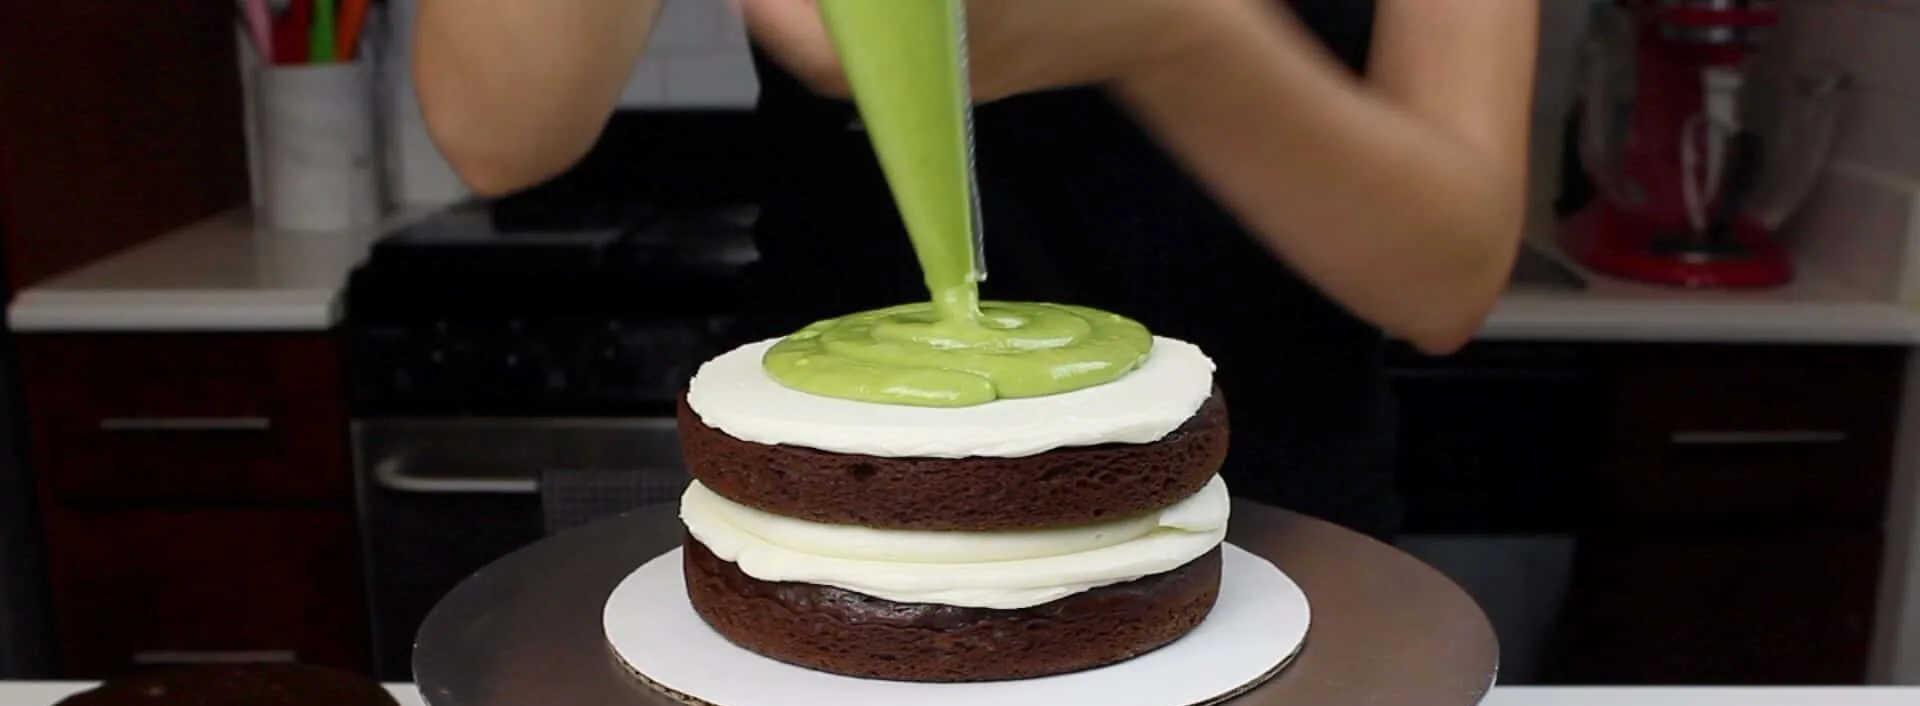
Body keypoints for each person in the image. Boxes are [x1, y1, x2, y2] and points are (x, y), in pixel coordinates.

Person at [415, 0, 1538, 539]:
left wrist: (1177, 31)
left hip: (1272, 540)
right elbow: (498, 130)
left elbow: (1446, 279)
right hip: (840, 534)